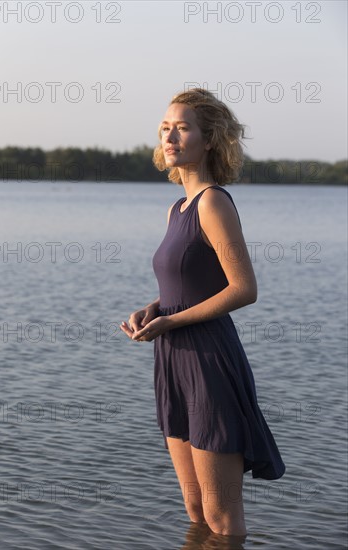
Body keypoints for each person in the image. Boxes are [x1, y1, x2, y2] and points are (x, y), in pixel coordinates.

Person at [120, 88, 285, 538]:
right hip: (171, 360)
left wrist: (171, 321)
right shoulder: (177, 208)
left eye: (183, 127)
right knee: (195, 510)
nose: (169, 136)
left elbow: (244, 289)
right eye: (165, 128)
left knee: (222, 518)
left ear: (209, 139)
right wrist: (153, 309)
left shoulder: (213, 202)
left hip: (208, 360)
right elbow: (184, 283)